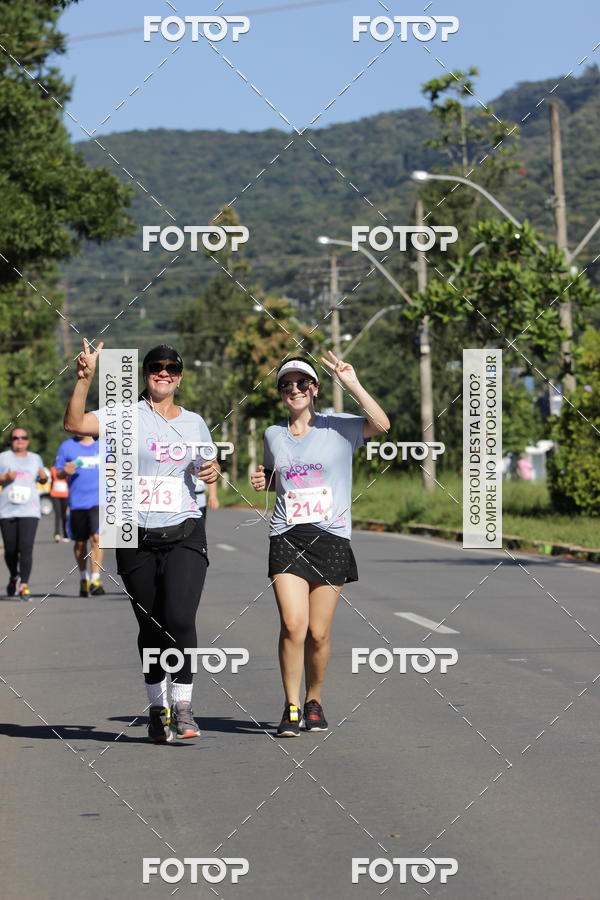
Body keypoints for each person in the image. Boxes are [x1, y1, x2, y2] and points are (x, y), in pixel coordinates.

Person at [63, 339, 220, 743]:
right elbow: (75, 425)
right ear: (145, 375)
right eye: (156, 367)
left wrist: (212, 472)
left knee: (181, 619)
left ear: (179, 378)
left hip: (185, 530)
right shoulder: (122, 415)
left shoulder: (195, 422)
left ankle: (183, 708)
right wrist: (85, 378)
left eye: (171, 368)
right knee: (151, 628)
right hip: (133, 535)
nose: (163, 373)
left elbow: (207, 464)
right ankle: (157, 707)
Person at [250, 353, 389, 737]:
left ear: (314, 389)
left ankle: (314, 699)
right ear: (281, 393)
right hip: (287, 535)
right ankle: (291, 706)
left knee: (318, 633)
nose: (294, 389)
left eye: (301, 383)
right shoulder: (272, 435)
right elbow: (278, 477)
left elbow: (382, 424)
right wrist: (265, 481)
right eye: (286, 384)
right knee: (293, 625)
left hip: (331, 537)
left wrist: (352, 383)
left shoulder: (339, 427)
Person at [0, 428, 48, 599]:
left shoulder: (36, 458)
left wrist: (43, 477)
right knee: (11, 550)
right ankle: (14, 575)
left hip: (30, 509)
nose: (19, 440)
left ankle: (24, 584)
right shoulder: (3, 457)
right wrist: (4, 478)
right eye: (15, 438)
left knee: (26, 548)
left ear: (27, 440)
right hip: (7, 510)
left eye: (23, 437)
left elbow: (42, 478)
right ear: (11, 440)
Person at [54, 433, 104, 596]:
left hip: (100, 500)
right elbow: (59, 473)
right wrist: (64, 472)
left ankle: (95, 580)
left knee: (97, 539)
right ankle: (84, 578)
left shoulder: (104, 445)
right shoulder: (67, 446)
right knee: (81, 543)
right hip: (77, 502)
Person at [50, 464, 70, 542]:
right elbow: (51, 480)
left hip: (65, 495)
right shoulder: (52, 469)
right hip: (55, 495)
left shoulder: (67, 469)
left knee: (64, 515)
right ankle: (57, 534)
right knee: (57, 515)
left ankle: (65, 534)